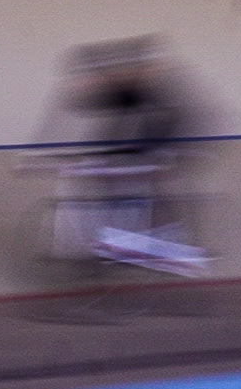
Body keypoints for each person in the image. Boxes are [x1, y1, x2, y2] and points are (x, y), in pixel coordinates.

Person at [43, 35, 211, 274]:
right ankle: (112, 244)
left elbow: (177, 126)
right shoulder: (119, 89)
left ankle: (181, 245)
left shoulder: (161, 89)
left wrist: (171, 158)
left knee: (155, 186)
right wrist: (46, 154)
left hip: (181, 139)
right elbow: (87, 121)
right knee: (110, 183)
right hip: (143, 145)